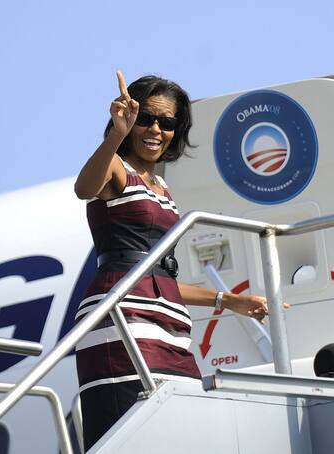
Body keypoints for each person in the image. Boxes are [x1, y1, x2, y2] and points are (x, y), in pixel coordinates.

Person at [74, 70, 269, 451]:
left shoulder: (161, 186)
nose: (155, 129)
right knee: (134, 432)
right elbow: (84, 189)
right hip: (124, 317)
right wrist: (116, 132)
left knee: (182, 432)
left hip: (170, 323)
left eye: (166, 122)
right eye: (145, 118)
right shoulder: (117, 167)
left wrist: (228, 301)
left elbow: (159, 276)